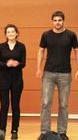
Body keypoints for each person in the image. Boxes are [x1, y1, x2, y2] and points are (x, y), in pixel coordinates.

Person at [36, 11, 78, 140]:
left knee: (64, 104)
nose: (57, 22)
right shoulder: (46, 35)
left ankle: (62, 132)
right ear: (52, 21)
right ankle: (44, 132)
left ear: (63, 21)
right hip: (48, 73)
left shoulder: (71, 35)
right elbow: (41, 50)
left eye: (59, 20)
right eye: (55, 20)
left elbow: (77, 51)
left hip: (65, 74)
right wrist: (39, 68)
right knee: (46, 102)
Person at [0, 24, 26, 140]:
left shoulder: (21, 46)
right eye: (8, 32)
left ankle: (14, 130)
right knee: (4, 106)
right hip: (3, 80)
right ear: (6, 34)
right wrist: (6, 64)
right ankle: (2, 130)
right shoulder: (1, 46)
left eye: (13, 32)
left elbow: (23, 63)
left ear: (16, 33)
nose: (11, 34)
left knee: (15, 106)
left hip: (17, 80)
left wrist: (17, 64)